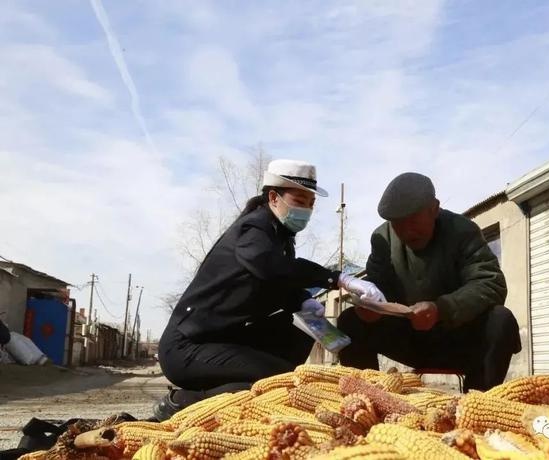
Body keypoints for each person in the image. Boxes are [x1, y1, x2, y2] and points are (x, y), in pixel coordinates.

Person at [153, 159, 385, 421]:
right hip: (188, 347)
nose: (307, 210)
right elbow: (271, 269)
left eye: (311, 204)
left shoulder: (279, 238)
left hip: (226, 339)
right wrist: (337, 279)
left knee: (300, 329)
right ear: (274, 197)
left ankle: (259, 391)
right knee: (274, 380)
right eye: (299, 200)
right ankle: (183, 401)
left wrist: (304, 302)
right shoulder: (253, 230)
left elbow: (276, 283)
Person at [337, 172, 521, 391]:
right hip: (409, 339)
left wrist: (441, 309)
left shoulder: (462, 231)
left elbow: (491, 283)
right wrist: (368, 305)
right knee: (350, 321)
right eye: (397, 224)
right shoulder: (383, 238)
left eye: (413, 220)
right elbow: (375, 285)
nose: (406, 231)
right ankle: (366, 399)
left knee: (501, 320)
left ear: (434, 208)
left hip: (458, 338)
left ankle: (478, 405)